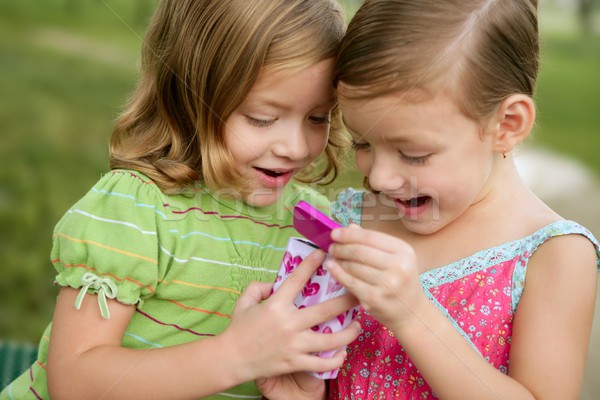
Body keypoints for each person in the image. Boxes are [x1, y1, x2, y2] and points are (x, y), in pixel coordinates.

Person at [0, 1, 361, 399]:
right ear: (188, 97)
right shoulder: (136, 210)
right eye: (262, 117)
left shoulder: (311, 223)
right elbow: (74, 383)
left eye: (317, 118)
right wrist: (235, 355)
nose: (295, 147)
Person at [323, 0, 600, 399]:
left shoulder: (553, 254)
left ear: (506, 125)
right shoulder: (349, 220)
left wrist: (414, 315)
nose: (379, 178)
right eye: (363, 142)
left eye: (413, 153)